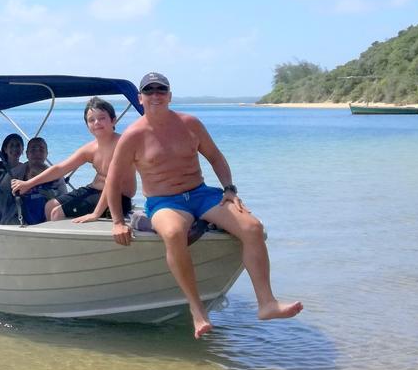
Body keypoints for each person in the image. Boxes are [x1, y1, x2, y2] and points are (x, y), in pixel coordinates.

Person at [106, 72, 304, 339]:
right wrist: (117, 221)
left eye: (161, 91)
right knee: (174, 234)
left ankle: (266, 303)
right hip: (164, 201)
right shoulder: (133, 136)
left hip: (201, 194)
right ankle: (197, 310)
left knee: (253, 227)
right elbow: (113, 181)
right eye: (149, 91)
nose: (155, 96)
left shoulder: (190, 124)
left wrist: (230, 189)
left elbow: (215, 157)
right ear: (140, 98)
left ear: (169, 96)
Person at [11, 97, 135, 222]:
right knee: (50, 206)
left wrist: (95, 214)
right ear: (87, 126)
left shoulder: (122, 145)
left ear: (113, 120)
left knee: (57, 213)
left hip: (119, 197)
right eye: (91, 120)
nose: (97, 122)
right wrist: (28, 184)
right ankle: (52, 240)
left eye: (102, 118)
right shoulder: (90, 149)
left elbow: (111, 182)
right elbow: (60, 169)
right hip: (94, 190)